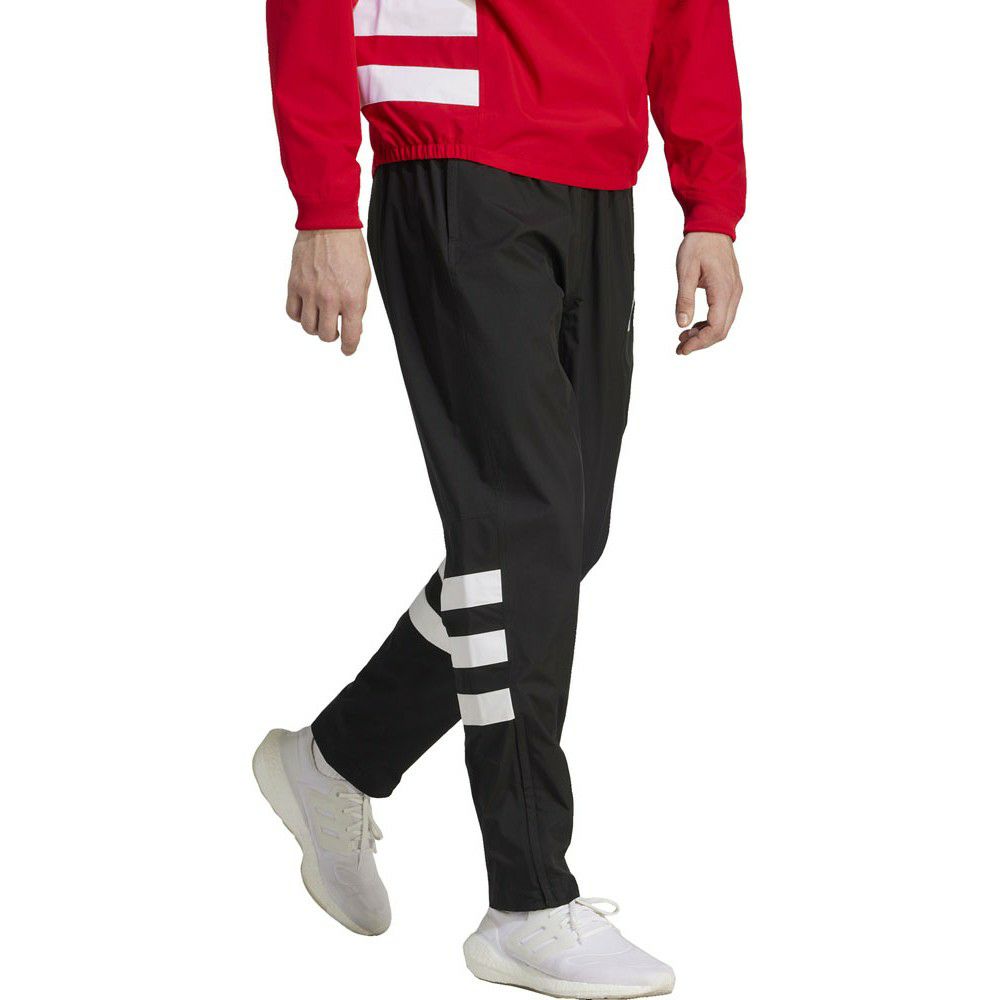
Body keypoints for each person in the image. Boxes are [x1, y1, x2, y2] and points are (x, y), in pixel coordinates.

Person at [254, 1, 745, 996]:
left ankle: (337, 758)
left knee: (560, 539)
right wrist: (323, 202)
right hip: (454, 135)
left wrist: (711, 205)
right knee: (520, 529)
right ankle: (526, 898)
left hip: (599, 169)